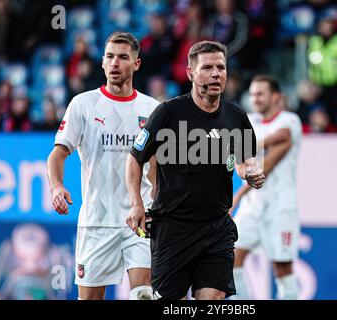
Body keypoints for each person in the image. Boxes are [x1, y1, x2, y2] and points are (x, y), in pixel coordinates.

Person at [125, 40, 265, 300]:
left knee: (212, 300)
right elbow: (135, 159)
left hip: (216, 228)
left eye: (221, 68)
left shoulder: (236, 118)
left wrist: (250, 173)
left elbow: (245, 161)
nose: (216, 74)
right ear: (190, 73)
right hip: (173, 230)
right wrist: (136, 203)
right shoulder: (168, 113)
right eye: (208, 67)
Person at [47, 32, 159, 300]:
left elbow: (156, 166)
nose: (115, 63)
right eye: (109, 57)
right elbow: (57, 154)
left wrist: (158, 203)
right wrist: (57, 186)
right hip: (97, 221)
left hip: (139, 217)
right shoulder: (83, 104)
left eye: (123, 57)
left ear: (136, 64)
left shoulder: (152, 108)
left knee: (144, 294)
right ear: (102, 62)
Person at [230, 75, 302, 300]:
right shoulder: (247, 120)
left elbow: (266, 166)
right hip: (253, 208)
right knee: (230, 260)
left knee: (282, 269)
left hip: (280, 206)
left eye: (260, 94)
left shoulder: (289, 121)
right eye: (252, 94)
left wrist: (238, 195)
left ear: (276, 96)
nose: (255, 99)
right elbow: (235, 154)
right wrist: (267, 141)